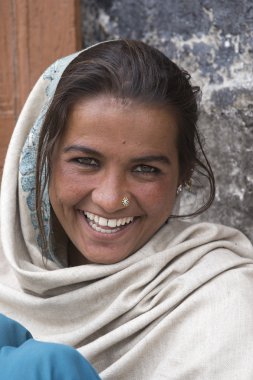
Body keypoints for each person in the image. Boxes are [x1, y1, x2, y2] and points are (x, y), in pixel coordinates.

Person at [0, 39, 253, 379]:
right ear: (40, 159)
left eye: (145, 169)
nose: (110, 198)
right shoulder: (8, 281)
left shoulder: (224, 304)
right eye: (86, 162)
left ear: (184, 172)